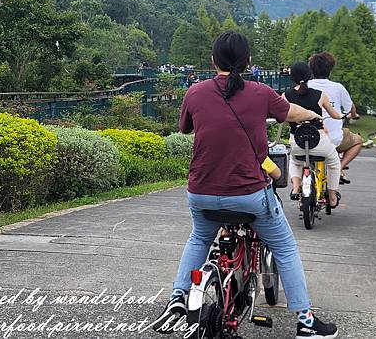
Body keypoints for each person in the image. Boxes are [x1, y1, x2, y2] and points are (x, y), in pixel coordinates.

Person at [152, 31, 339, 339]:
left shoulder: (195, 92)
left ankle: (177, 298)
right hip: (248, 196)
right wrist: (314, 117)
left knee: (199, 240)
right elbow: (291, 112)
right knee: (284, 246)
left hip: (200, 193)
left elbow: (185, 128)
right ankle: (305, 322)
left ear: (213, 61)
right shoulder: (260, 92)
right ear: (249, 61)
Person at [284, 62, 344, 208]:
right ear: (309, 75)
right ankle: (331, 196)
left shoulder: (286, 95)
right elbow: (335, 115)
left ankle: (296, 187)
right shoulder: (320, 95)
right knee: (334, 163)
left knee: (295, 161)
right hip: (319, 141)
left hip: (297, 142)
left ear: (291, 77)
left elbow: (284, 118)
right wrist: (342, 115)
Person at [308, 52, 362, 185]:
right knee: (358, 140)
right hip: (334, 140)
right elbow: (350, 108)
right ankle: (339, 167)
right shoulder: (338, 88)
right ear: (330, 68)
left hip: (308, 139)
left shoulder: (306, 86)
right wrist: (354, 115)